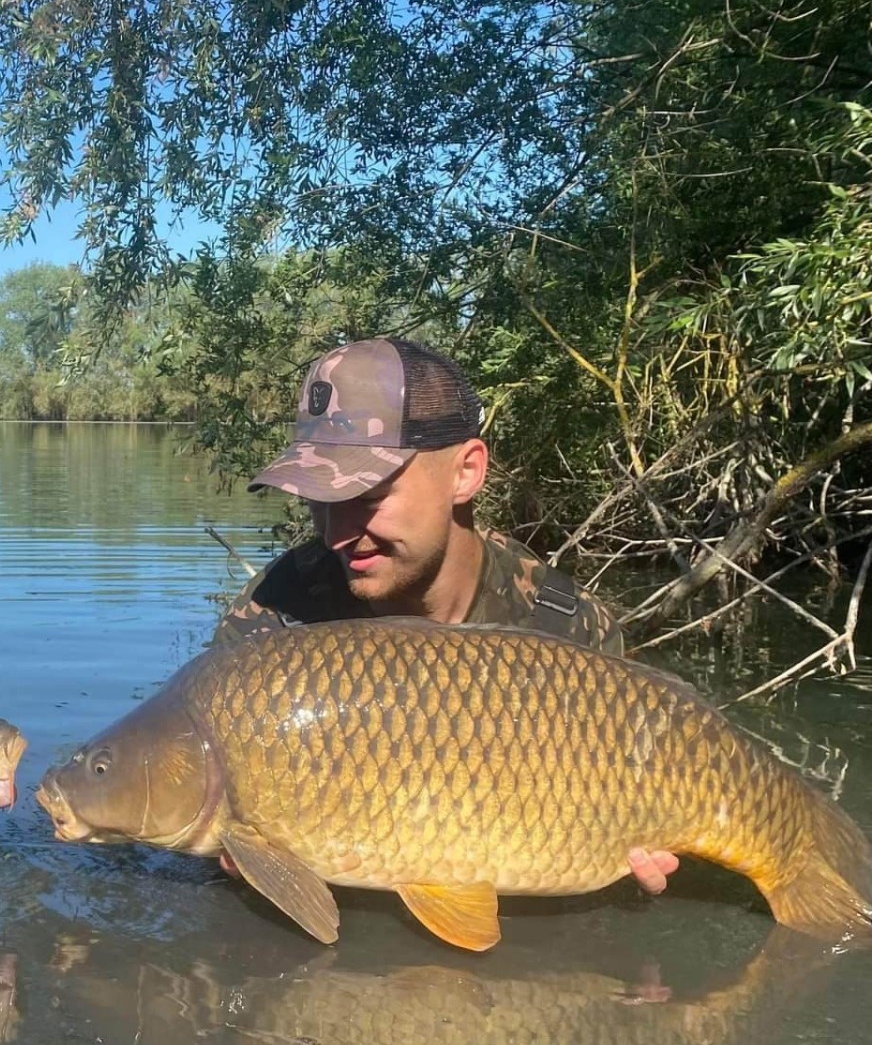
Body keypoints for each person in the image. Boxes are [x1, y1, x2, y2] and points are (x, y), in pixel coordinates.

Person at [213, 336, 677, 896]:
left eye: (366, 496)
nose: (336, 535)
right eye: (319, 500)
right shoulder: (272, 619)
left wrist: (648, 858)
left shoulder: (566, 629)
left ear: (466, 472)